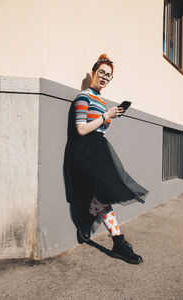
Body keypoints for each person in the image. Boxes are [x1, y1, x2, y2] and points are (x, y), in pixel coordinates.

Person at [63, 54, 149, 264]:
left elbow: (100, 127)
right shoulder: (84, 97)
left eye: (108, 75)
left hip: (99, 149)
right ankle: (118, 242)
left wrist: (109, 118)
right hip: (84, 151)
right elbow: (81, 129)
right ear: (94, 73)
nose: (104, 77)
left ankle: (90, 223)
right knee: (105, 192)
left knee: (105, 194)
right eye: (101, 72)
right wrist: (104, 116)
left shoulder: (101, 101)